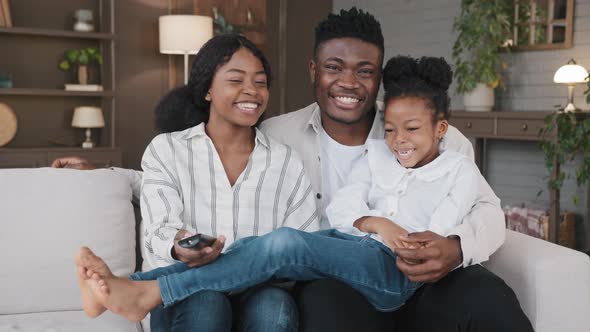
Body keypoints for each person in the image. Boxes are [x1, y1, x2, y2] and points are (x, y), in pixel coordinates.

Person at [57, 7, 533, 332]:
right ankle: (144, 292)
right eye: (334, 67)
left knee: (487, 296)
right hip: (340, 272)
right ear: (313, 70)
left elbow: (488, 211)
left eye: (365, 70)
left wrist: (456, 247)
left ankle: (143, 292)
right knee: (291, 271)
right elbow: (205, 164)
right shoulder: (278, 137)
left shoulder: (433, 139)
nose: (348, 81)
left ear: (379, 76)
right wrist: (104, 175)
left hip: (419, 274)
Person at [76, 33, 321, 332]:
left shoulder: (286, 162)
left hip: (259, 294)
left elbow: (304, 246)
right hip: (185, 299)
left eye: (260, 82)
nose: (251, 91)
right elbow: (158, 230)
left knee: (273, 305)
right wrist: (180, 247)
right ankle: (139, 291)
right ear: (207, 89)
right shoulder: (168, 149)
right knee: (207, 301)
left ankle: (128, 288)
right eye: (236, 80)